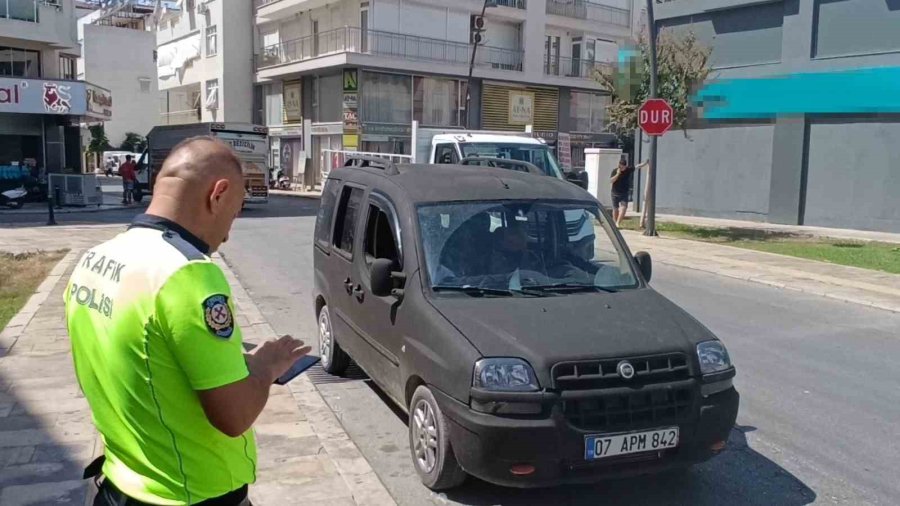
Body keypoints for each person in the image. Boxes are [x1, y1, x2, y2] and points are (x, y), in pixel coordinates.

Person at [65, 136, 310, 505]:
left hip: (118, 485)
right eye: (235, 211)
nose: (228, 234)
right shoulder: (187, 274)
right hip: (190, 493)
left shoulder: (94, 261)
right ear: (218, 194)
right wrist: (264, 366)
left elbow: (137, 368)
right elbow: (234, 416)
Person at [609, 157, 635, 227]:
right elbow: (611, 181)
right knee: (615, 209)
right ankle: (614, 223)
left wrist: (645, 163)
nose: (622, 168)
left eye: (623, 167)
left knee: (624, 208)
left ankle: (618, 222)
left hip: (624, 193)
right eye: (621, 166)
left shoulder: (628, 170)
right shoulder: (615, 171)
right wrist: (617, 174)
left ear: (625, 166)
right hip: (615, 193)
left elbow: (637, 167)